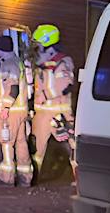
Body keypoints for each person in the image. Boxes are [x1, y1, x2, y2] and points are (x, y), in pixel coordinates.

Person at [31, 23, 77, 187]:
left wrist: (44, 95)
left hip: (59, 112)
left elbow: (64, 86)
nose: (36, 49)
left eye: (38, 45)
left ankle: (80, 180)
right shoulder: (42, 63)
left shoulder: (62, 62)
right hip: (41, 113)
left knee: (72, 146)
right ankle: (32, 179)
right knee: (36, 149)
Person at [0, 25, 33, 188]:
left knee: (6, 142)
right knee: (21, 143)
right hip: (20, 111)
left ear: (0, 49)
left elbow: (12, 89)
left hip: (11, 112)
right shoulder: (17, 62)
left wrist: (5, 109)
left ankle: (6, 178)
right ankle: (25, 177)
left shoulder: (9, 64)